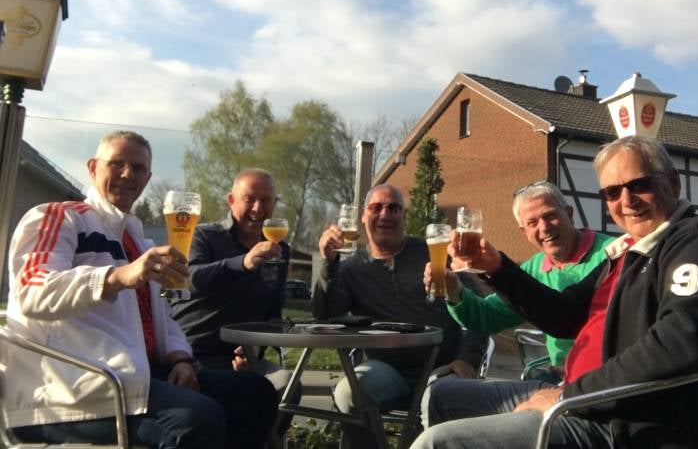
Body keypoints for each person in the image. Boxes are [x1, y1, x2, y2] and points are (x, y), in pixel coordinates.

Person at [412, 135, 698, 449]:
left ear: (673, 182)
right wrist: (498, 268)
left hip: (623, 424)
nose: (627, 200)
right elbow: (565, 316)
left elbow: (680, 344)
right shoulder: (628, 252)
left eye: (639, 184)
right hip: (579, 396)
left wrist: (567, 396)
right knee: (442, 395)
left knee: (437, 443)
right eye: (612, 192)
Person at [4, 131, 276, 449]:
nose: (127, 174)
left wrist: (180, 360)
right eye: (116, 164)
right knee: (197, 420)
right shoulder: (59, 217)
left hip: (140, 375)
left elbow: (164, 319)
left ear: (147, 178)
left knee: (256, 394)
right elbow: (31, 291)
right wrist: (119, 276)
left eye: (137, 168)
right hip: (69, 390)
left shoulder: (138, 241)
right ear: (92, 168)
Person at [314, 183, 488, 449]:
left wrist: (468, 359)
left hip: (443, 369)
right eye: (376, 207)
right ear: (363, 216)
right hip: (388, 371)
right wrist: (328, 263)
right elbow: (326, 315)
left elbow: (478, 310)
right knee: (348, 393)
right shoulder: (351, 269)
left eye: (393, 208)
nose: (385, 214)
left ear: (403, 216)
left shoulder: (434, 251)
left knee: (442, 401)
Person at [439, 181, 613, 380]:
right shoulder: (534, 267)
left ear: (569, 214)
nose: (544, 228)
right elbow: (488, 317)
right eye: (532, 223)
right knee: (444, 390)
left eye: (550, 216)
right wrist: (454, 292)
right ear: (524, 232)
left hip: (606, 378)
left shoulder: (613, 255)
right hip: (559, 379)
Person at [171, 169, 291, 377]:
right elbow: (189, 279)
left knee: (286, 383)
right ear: (231, 201)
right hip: (191, 354)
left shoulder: (280, 249)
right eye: (249, 199)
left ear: (274, 204)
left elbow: (272, 314)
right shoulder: (203, 235)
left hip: (243, 358)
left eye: (265, 200)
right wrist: (243, 263)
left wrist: (256, 348)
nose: (257, 208)